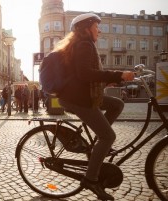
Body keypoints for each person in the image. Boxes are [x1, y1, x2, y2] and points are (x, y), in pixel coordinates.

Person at [55, 13, 134, 200]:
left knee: (117, 104)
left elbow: (83, 76)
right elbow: (84, 74)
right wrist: (118, 75)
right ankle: (90, 179)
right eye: (96, 26)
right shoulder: (84, 45)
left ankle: (99, 145)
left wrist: (105, 82)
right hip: (78, 99)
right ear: (86, 28)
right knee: (108, 136)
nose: (99, 30)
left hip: (82, 94)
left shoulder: (83, 44)